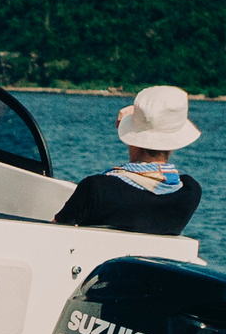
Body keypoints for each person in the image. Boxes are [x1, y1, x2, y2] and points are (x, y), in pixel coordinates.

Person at [53, 86, 203, 235]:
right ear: (175, 142)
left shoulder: (96, 189)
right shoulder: (190, 193)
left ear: (132, 135)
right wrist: (145, 118)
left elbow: (54, 233)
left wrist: (139, 116)